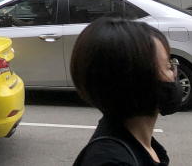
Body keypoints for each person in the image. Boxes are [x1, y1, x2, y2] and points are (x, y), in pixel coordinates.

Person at [70, 18, 183, 165]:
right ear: (138, 80)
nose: (174, 74)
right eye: (168, 66)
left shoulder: (135, 142)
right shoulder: (110, 160)